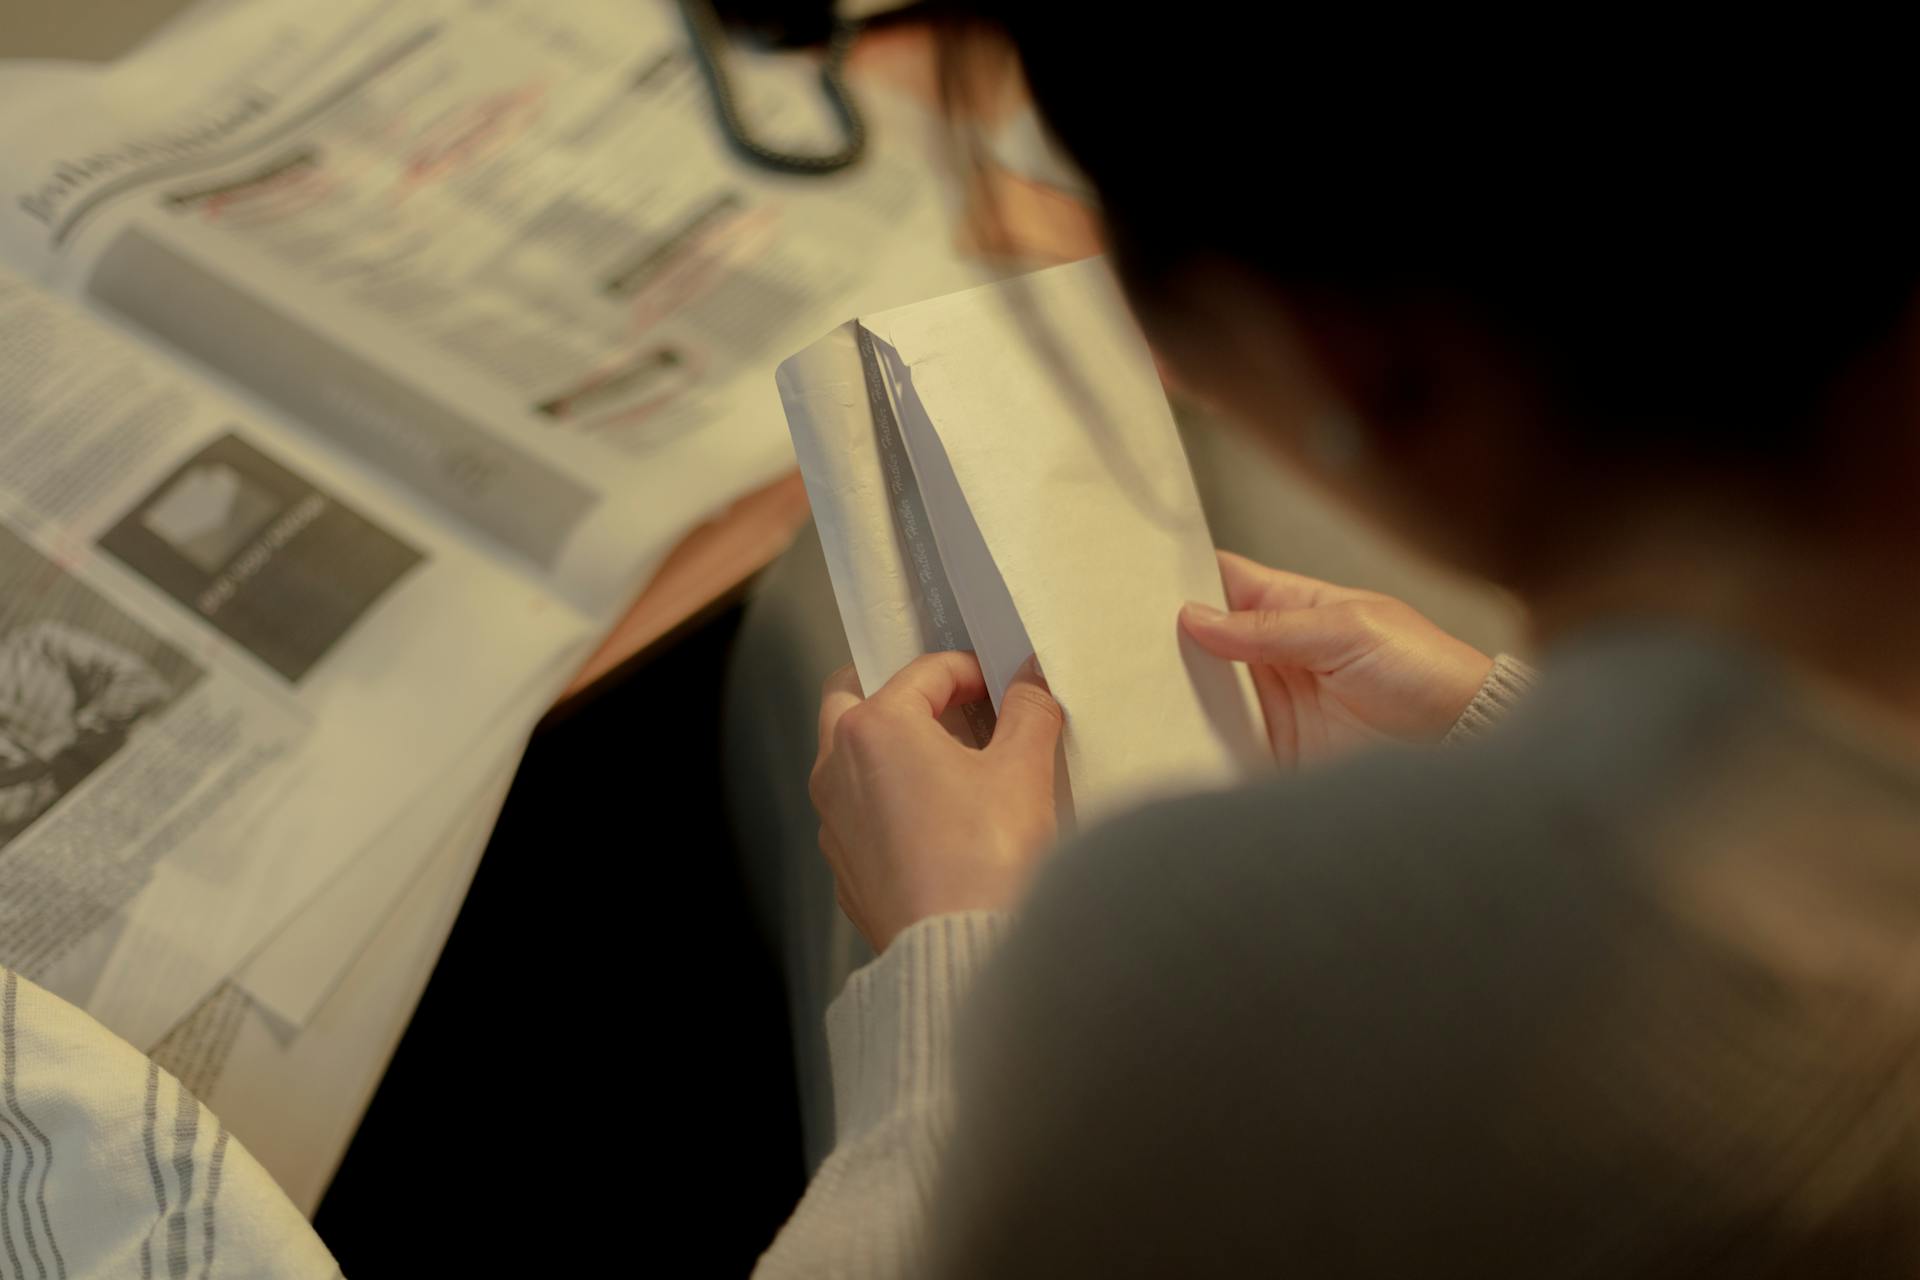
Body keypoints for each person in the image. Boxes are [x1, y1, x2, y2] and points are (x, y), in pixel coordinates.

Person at [751, 10, 1920, 1277]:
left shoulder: (1216, 973)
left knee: (800, 605)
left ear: (1348, 357)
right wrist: (1499, 716)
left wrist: (956, 971)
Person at [0, 619, 172, 847]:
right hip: (77, 836)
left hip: (152, 783)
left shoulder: (43, 642)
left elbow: (145, 684)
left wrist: (71, 738)